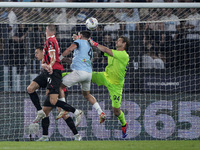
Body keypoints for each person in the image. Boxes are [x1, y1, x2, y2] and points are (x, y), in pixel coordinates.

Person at [27, 24, 83, 127]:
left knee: (53, 101)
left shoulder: (51, 41)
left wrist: (50, 66)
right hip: (48, 71)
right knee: (30, 88)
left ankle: (76, 111)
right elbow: (47, 58)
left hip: (54, 71)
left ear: (46, 30)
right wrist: (45, 65)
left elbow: (53, 58)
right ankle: (40, 111)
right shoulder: (50, 41)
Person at [29, 47, 81, 141]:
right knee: (45, 112)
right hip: (53, 89)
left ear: (43, 52)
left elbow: (53, 77)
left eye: (37, 53)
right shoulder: (44, 63)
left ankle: (77, 135)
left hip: (59, 90)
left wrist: (50, 89)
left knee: (63, 113)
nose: (35, 55)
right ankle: (45, 136)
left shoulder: (50, 62)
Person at [58, 31, 106, 124]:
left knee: (59, 86)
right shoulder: (89, 46)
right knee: (87, 95)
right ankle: (101, 112)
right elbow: (76, 58)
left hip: (79, 72)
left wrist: (59, 58)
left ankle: (64, 108)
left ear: (80, 36)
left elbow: (69, 50)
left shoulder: (79, 42)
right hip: (88, 74)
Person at [89, 36, 129, 138]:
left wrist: (94, 43)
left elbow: (106, 50)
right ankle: (64, 76)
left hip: (116, 86)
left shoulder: (124, 55)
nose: (116, 41)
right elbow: (102, 51)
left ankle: (124, 124)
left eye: (119, 40)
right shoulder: (112, 52)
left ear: (124, 44)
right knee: (85, 75)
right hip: (105, 76)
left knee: (116, 111)